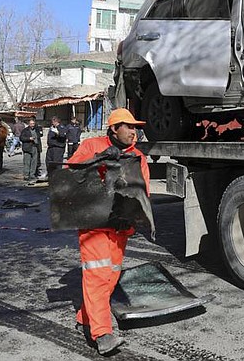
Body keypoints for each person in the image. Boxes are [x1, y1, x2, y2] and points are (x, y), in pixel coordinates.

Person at [67, 108, 150, 355]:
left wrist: (133, 218)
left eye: (135, 127)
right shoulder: (92, 145)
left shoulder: (137, 157)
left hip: (119, 226)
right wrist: (100, 158)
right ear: (114, 129)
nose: (134, 132)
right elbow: (71, 171)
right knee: (98, 274)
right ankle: (102, 333)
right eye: (129, 127)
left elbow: (143, 193)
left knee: (111, 276)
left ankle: (86, 317)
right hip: (93, 223)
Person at [20, 118, 40, 183]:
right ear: (29, 124)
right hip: (27, 147)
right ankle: (26, 175)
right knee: (27, 162)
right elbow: (21, 138)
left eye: (33, 123)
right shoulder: (25, 130)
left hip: (35, 147)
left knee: (34, 162)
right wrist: (29, 138)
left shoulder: (37, 129)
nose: (32, 125)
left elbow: (39, 136)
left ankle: (32, 174)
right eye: (31, 123)